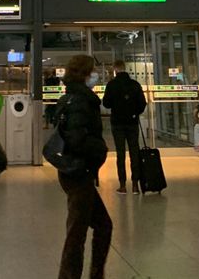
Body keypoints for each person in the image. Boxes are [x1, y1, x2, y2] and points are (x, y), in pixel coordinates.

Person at [53, 54, 111, 279]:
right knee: (77, 234)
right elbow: (78, 139)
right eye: (93, 71)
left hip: (73, 171)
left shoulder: (69, 97)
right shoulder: (80, 101)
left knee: (102, 225)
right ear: (85, 74)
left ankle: (96, 274)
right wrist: (100, 149)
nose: (96, 75)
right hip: (78, 172)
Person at [102, 60, 146, 194]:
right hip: (132, 123)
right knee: (134, 152)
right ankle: (135, 185)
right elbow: (142, 104)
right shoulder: (135, 84)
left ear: (115, 69)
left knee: (120, 154)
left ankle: (122, 185)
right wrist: (134, 113)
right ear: (125, 68)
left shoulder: (112, 85)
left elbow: (106, 104)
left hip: (117, 123)